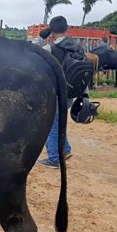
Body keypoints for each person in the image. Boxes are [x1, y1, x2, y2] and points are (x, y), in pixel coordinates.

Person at [38, 16, 82, 168]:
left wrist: (41, 38)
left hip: (55, 93)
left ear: (52, 30)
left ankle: (54, 159)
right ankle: (66, 149)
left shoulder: (51, 48)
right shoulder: (77, 46)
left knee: (51, 125)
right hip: (71, 93)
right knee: (59, 122)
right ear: (67, 28)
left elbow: (34, 55)